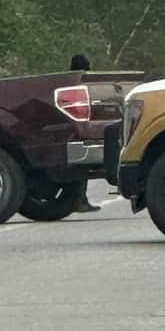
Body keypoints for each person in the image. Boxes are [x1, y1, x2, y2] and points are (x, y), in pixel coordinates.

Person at [69, 54, 101, 213]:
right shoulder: (81, 83)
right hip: (80, 130)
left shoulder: (68, 81)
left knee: (79, 169)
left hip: (72, 130)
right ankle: (79, 200)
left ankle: (80, 199)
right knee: (82, 168)